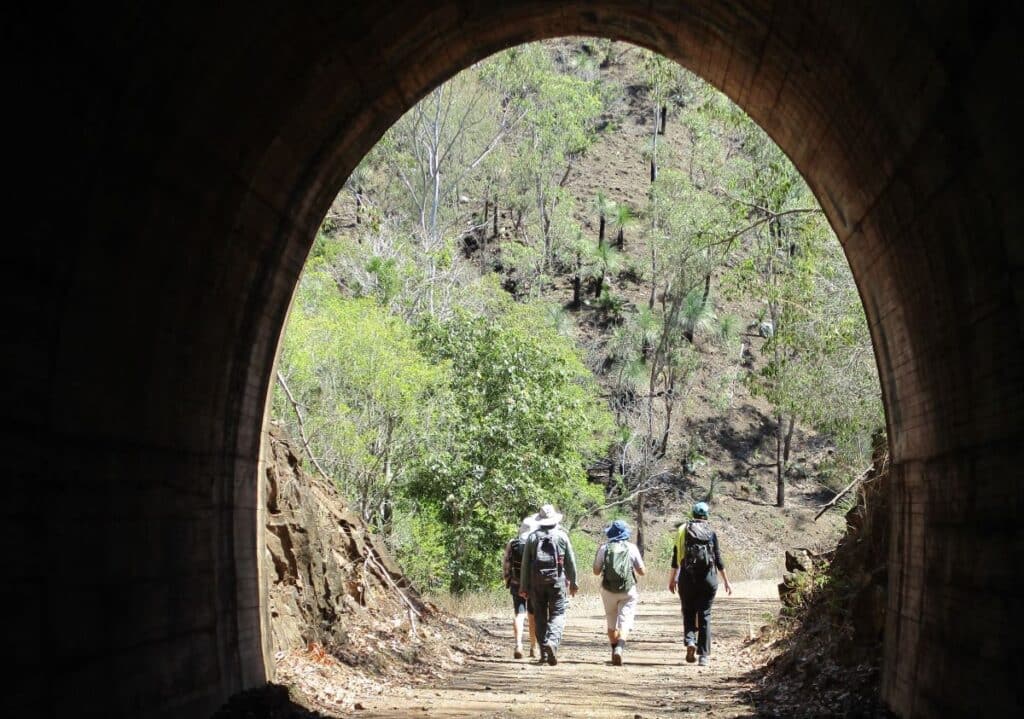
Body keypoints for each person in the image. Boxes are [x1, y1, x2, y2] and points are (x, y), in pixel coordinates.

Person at [668, 501, 732, 666]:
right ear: (706, 516)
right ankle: (703, 655)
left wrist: (672, 579)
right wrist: (726, 581)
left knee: (688, 611)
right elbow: (718, 558)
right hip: (708, 579)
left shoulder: (682, 530)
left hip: (687, 578)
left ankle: (690, 641)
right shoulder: (711, 532)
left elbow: (676, 558)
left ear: (693, 514)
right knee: (704, 615)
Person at [518, 504, 578, 666]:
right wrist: (573, 582)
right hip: (557, 582)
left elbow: (525, 565)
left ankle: (544, 652)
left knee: (539, 617)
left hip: (536, 583)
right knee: (558, 613)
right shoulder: (562, 536)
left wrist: (523, 586)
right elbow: (570, 562)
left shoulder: (532, 537)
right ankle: (552, 642)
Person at [592, 519, 646, 665]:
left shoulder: (604, 548)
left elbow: (596, 571)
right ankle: (620, 648)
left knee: (611, 621)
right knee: (625, 620)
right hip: (628, 590)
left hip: (608, 590)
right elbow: (642, 572)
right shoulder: (632, 548)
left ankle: (614, 649)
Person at [502, 516, 539, 658]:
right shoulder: (536, 542)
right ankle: (533, 647)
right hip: (533, 584)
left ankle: (518, 645)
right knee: (532, 615)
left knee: (519, 614)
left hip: (516, 583)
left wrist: (507, 579)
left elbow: (506, 563)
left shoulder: (512, 543)